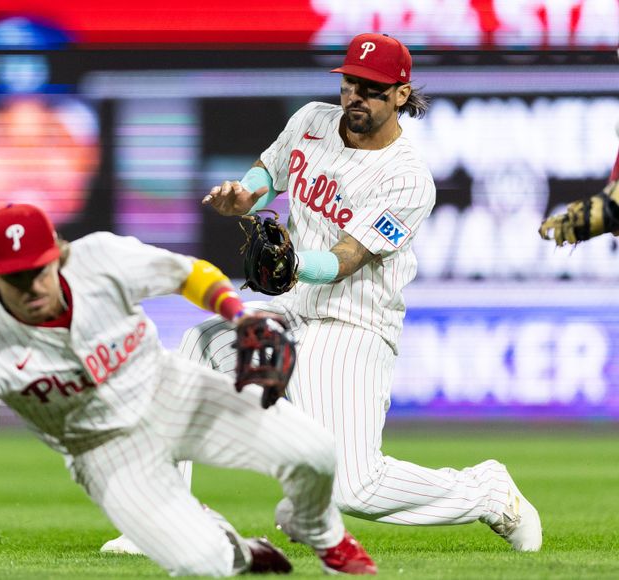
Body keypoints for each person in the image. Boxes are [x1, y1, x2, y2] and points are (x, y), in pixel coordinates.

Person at [103, 32, 542, 556]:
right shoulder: (312, 121)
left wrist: (293, 266)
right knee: (198, 348)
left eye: (373, 88)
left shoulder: (408, 178)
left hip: (353, 327)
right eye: (351, 83)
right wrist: (244, 194)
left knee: (353, 486)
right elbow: (270, 169)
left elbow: (348, 257)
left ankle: (488, 493)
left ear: (401, 94)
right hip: (292, 313)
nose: (356, 96)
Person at [0, 203, 378, 578]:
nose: (29, 286)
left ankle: (320, 531)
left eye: (37, 270)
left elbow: (188, 274)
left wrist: (240, 315)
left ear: (57, 255)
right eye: (12, 278)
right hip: (104, 453)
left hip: (169, 389)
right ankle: (238, 551)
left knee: (314, 450)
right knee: (204, 564)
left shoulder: (100, 259)